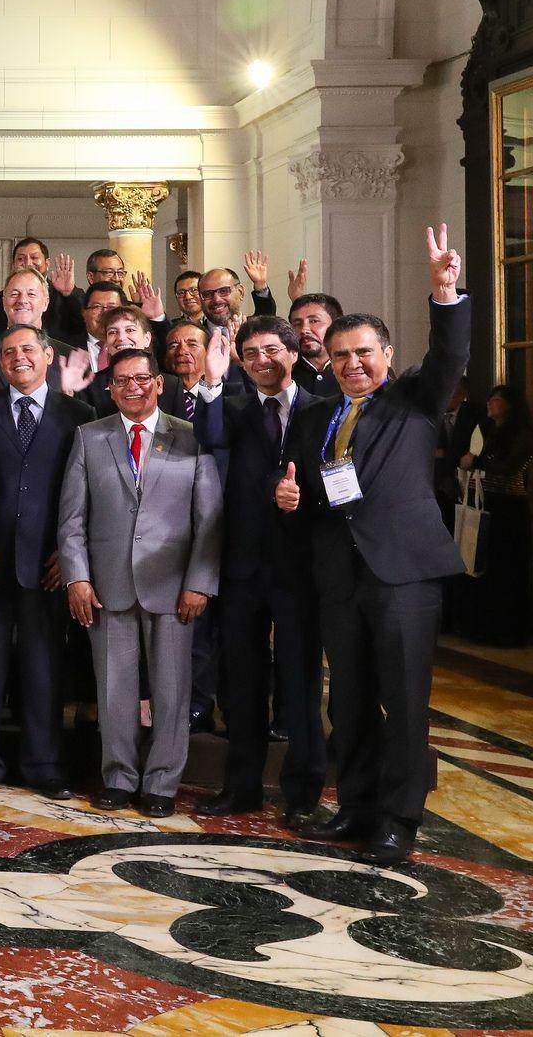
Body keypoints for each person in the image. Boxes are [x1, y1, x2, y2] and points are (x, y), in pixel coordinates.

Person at [277, 226, 468, 865]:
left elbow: (450, 356)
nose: (353, 365)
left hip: (403, 575)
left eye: (364, 353)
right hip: (339, 574)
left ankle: (398, 820)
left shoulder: (415, 398)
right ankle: (355, 807)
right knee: (350, 699)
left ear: (387, 352)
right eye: (341, 357)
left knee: (405, 701)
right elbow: (309, 489)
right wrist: (291, 499)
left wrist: (445, 292)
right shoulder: (315, 416)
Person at [57, 346, 223, 819]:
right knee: (114, 689)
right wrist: (77, 578)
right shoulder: (89, 437)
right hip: (106, 586)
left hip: (173, 587)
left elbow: (209, 515)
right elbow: (71, 519)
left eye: (141, 379)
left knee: (172, 690)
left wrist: (200, 582)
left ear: (158, 384)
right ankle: (119, 776)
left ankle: (162, 782)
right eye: (122, 380)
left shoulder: (192, 436)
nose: (133, 387)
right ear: (109, 390)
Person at [195, 315, 325, 823]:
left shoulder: (322, 409)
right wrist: (211, 378)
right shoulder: (233, 409)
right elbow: (209, 436)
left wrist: (300, 494)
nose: (261, 361)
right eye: (249, 354)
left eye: (271, 350)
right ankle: (241, 787)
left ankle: (302, 794)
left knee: (299, 684)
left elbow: (333, 475)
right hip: (243, 567)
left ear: (292, 352)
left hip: (300, 568)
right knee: (243, 684)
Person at [0, 323, 93, 800]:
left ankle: (46, 765)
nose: (18, 358)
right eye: (9, 352)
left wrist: (70, 552)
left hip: (49, 564)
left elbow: (88, 492)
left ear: (48, 354)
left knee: (44, 668)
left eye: (27, 350)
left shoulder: (80, 414)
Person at [458, 383, 533, 645]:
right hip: (489, 502)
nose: (490, 403)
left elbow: (510, 466)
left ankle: (509, 630)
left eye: (497, 399)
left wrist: (476, 461)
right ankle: (485, 627)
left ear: (510, 405)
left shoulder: (524, 434)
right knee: (485, 566)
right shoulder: (489, 430)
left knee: (507, 568)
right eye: (489, 398)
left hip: (509, 507)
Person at [288, 291, 343, 397]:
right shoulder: (284, 372)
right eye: (297, 323)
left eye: (314, 321)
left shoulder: (353, 368)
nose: (304, 330)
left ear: (336, 325)